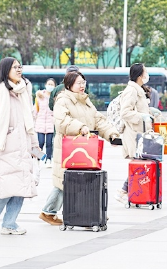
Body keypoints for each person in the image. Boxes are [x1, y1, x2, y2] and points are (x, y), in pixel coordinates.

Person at [39, 71, 119, 226]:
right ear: (69, 85)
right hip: (68, 150)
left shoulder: (85, 101)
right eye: (78, 83)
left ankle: (91, 212)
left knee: (81, 180)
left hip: (84, 148)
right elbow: (62, 121)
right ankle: (49, 211)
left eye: (83, 82)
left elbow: (98, 120)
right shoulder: (62, 100)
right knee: (65, 182)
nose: (82, 86)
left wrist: (111, 135)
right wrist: (80, 127)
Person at [0, 57, 40, 235]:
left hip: (23, 148)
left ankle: (9, 223)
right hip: (3, 148)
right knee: (5, 187)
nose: (19, 70)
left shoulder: (25, 92)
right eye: (14, 67)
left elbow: (30, 123)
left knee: (20, 188)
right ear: (5, 71)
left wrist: (35, 147)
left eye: (20, 67)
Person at [114, 63, 161, 204]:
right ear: (140, 75)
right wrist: (142, 116)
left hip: (140, 134)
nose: (147, 75)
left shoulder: (138, 90)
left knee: (140, 164)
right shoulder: (132, 91)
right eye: (145, 72)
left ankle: (132, 193)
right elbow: (125, 112)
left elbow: (138, 109)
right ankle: (123, 192)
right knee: (139, 164)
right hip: (134, 135)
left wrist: (149, 111)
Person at [34, 78, 56, 168]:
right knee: (40, 142)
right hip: (40, 123)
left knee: (49, 143)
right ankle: (37, 159)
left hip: (51, 123)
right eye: (49, 84)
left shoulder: (55, 98)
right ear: (45, 85)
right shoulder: (39, 96)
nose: (50, 86)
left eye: (52, 84)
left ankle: (49, 159)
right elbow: (35, 110)